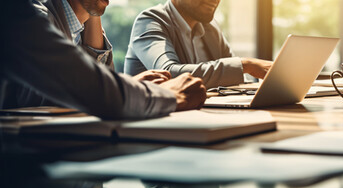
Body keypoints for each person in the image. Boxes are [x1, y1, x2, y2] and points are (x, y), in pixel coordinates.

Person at [1, 0, 206, 120]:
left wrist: (128, 86)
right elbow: (84, 88)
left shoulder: (82, 27)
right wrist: (165, 95)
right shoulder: (29, 15)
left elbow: (93, 82)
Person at [124, 0, 273, 88]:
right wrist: (245, 65)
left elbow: (239, 83)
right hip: (154, 130)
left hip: (199, 124)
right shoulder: (150, 21)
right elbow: (168, 72)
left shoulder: (211, 29)